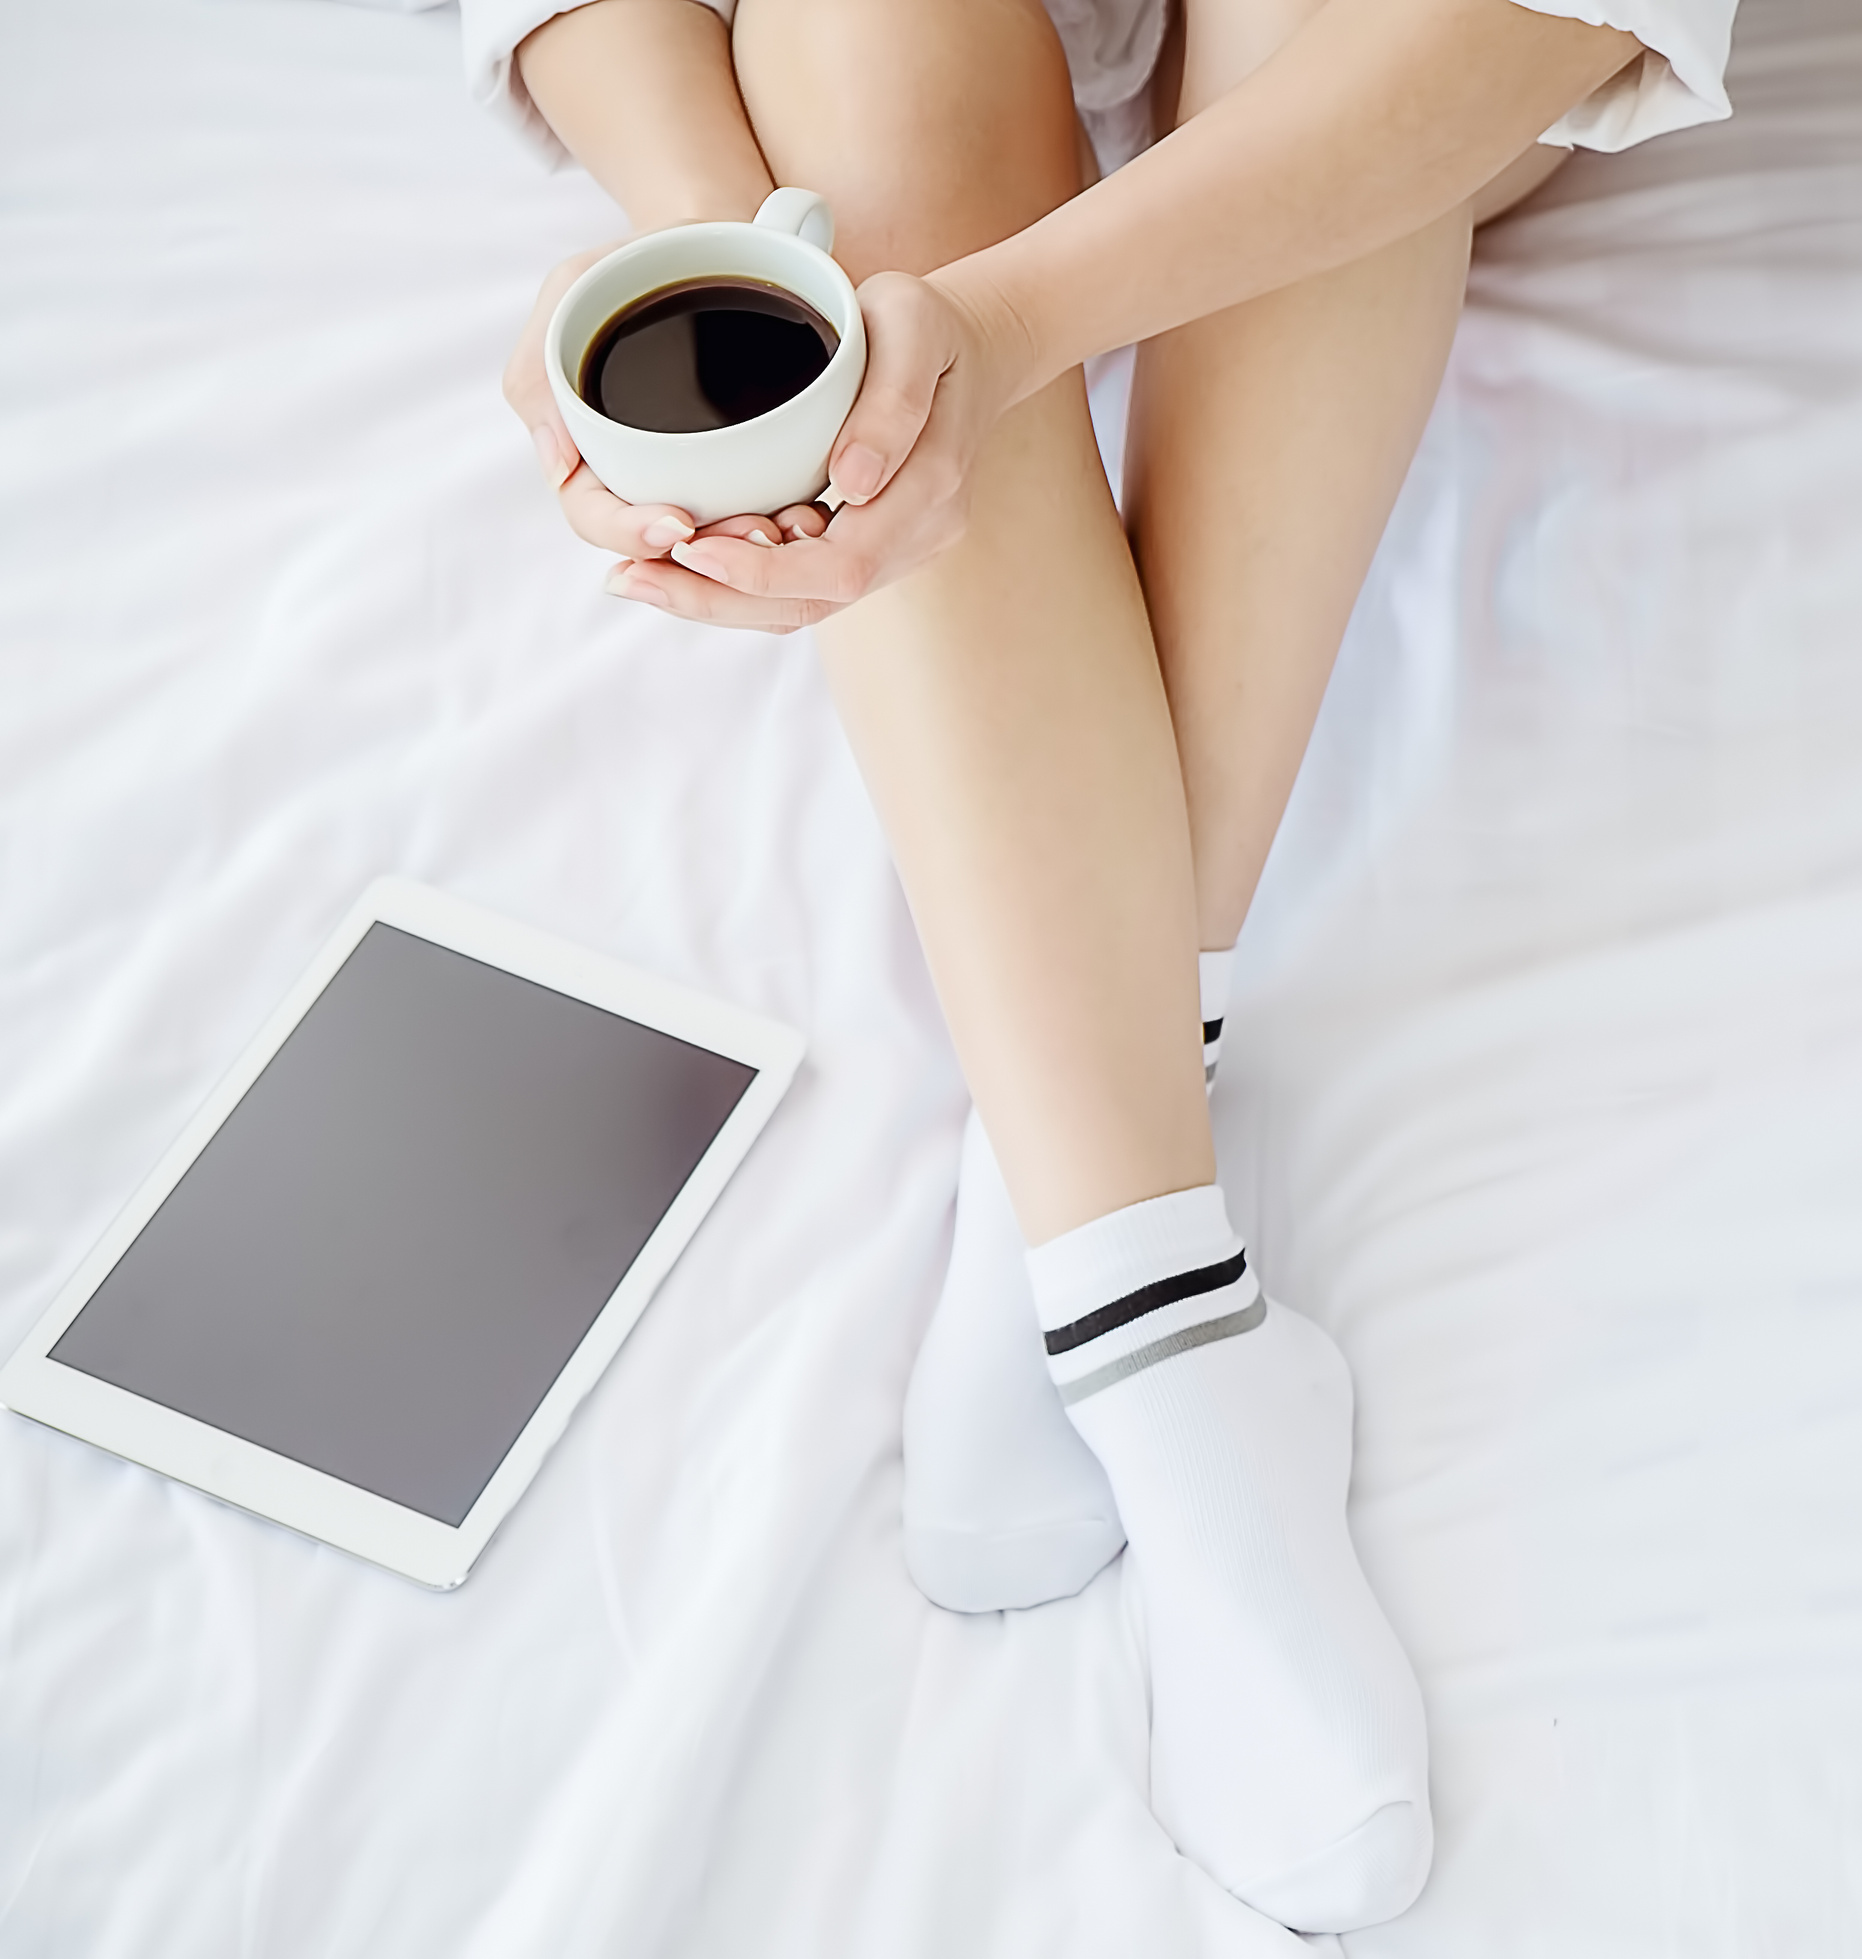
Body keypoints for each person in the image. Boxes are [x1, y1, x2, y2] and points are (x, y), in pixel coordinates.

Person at [462, 0, 1731, 1928]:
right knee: (857, 36)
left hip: (1407, 72)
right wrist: (780, 315)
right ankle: (1160, 1299)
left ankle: (1120, 1287)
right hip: (876, 102)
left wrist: (997, 338)